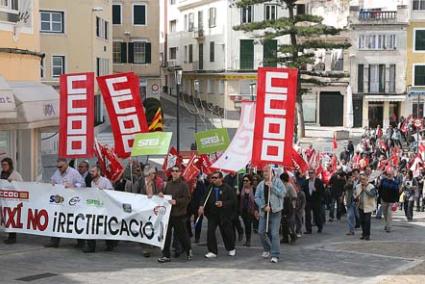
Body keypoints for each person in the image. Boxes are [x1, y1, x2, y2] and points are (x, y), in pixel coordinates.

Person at [46, 158, 85, 248]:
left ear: (66, 165)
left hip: (72, 201)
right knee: (57, 220)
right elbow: (52, 180)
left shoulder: (73, 172)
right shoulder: (57, 172)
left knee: (75, 221)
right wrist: (51, 183)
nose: (59, 168)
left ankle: (81, 242)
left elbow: (82, 184)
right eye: (58, 167)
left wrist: (74, 186)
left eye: (61, 166)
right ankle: (54, 241)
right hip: (60, 201)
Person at [198, 171, 237, 258]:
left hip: (224, 214)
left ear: (221, 179)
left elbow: (233, 201)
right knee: (210, 232)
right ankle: (212, 251)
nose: (213, 180)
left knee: (226, 232)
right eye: (212, 178)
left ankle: (231, 248)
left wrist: (223, 203)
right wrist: (201, 206)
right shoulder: (210, 187)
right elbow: (204, 198)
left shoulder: (227, 188)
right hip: (212, 214)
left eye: (215, 178)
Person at [158, 166, 192, 263]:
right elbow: (164, 196)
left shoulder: (183, 185)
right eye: (173, 171)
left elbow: (187, 199)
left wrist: (176, 201)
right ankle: (166, 255)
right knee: (166, 235)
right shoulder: (168, 184)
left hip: (179, 214)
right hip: (168, 215)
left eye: (177, 171)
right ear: (171, 173)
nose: (175, 173)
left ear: (180, 173)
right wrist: (161, 194)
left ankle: (188, 250)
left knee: (182, 234)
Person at [255, 165, 286, 264]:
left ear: (272, 172)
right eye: (264, 172)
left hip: (276, 211)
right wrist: (263, 206)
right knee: (261, 232)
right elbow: (257, 197)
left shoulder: (278, 182)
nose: (265, 173)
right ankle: (267, 248)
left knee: (274, 233)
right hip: (265, 212)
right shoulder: (260, 184)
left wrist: (272, 187)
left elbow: (283, 194)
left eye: (267, 171)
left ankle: (275, 254)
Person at [83, 166, 115, 253]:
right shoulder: (92, 182)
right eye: (90, 172)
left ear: (98, 172)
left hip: (105, 208)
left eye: (93, 171)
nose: (91, 173)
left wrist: (104, 191)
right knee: (91, 225)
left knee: (105, 227)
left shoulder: (105, 181)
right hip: (95, 208)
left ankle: (110, 244)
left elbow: (112, 193)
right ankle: (91, 247)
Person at [1, 157, 23, 244]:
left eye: (5, 164)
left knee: (12, 218)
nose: (3, 166)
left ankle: (12, 237)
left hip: (13, 201)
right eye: (2, 165)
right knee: (6, 217)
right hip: (4, 200)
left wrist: (14, 182)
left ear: (10, 165)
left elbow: (22, 186)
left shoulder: (15, 174)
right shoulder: (2, 173)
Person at [354, 173, 377, 240]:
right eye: (361, 179)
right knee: (362, 221)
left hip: (368, 206)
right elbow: (355, 194)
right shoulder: (358, 186)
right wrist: (356, 198)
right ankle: (364, 233)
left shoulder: (371, 186)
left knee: (367, 221)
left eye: (364, 179)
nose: (362, 181)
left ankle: (367, 235)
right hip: (360, 206)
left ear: (367, 179)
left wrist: (365, 190)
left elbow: (372, 195)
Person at [303, 169, 325, 234]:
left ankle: (320, 227)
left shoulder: (318, 181)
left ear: (314, 173)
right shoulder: (306, 181)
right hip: (308, 200)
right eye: (309, 173)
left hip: (316, 200)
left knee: (317, 215)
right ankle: (308, 229)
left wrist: (315, 190)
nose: (310, 174)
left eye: (311, 173)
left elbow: (322, 191)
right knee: (307, 215)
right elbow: (303, 189)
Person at [224, 172, 244, 242]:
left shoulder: (240, 178)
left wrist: (240, 191)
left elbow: (244, 189)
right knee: (230, 220)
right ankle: (233, 238)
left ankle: (240, 230)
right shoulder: (226, 178)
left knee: (235, 218)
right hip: (228, 201)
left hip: (236, 202)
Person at [239, 174, 257, 247]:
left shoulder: (254, 189)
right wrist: (237, 194)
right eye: (244, 181)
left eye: (246, 181)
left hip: (251, 210)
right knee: (246, 224)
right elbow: (238, 199)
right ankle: (247, 239)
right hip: (243, 209)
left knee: (248, 225)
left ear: (250, 182)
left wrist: (256, 210)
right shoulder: (241, 189)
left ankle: (248, 240)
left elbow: (256, 200)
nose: (244, 182)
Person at [280, 172, 297, 244]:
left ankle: (293, 236)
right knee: (283, 223)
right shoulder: (280, 186)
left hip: (289, 206)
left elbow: (294, 196)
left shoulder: (289, 186)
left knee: (289, 223)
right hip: (282, 205)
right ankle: (285, 237)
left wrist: (292, 205)